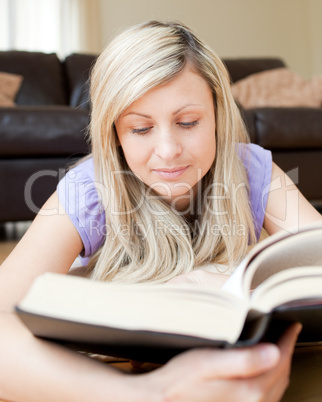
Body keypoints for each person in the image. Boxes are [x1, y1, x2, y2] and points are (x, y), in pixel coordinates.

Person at [0, 20, 321, 401]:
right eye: (140, 128)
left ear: (218, 114)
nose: (168, 150)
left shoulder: (251, 171)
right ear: (114, 134)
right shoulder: (91, 190)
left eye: (188, 122)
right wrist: (145, 394)